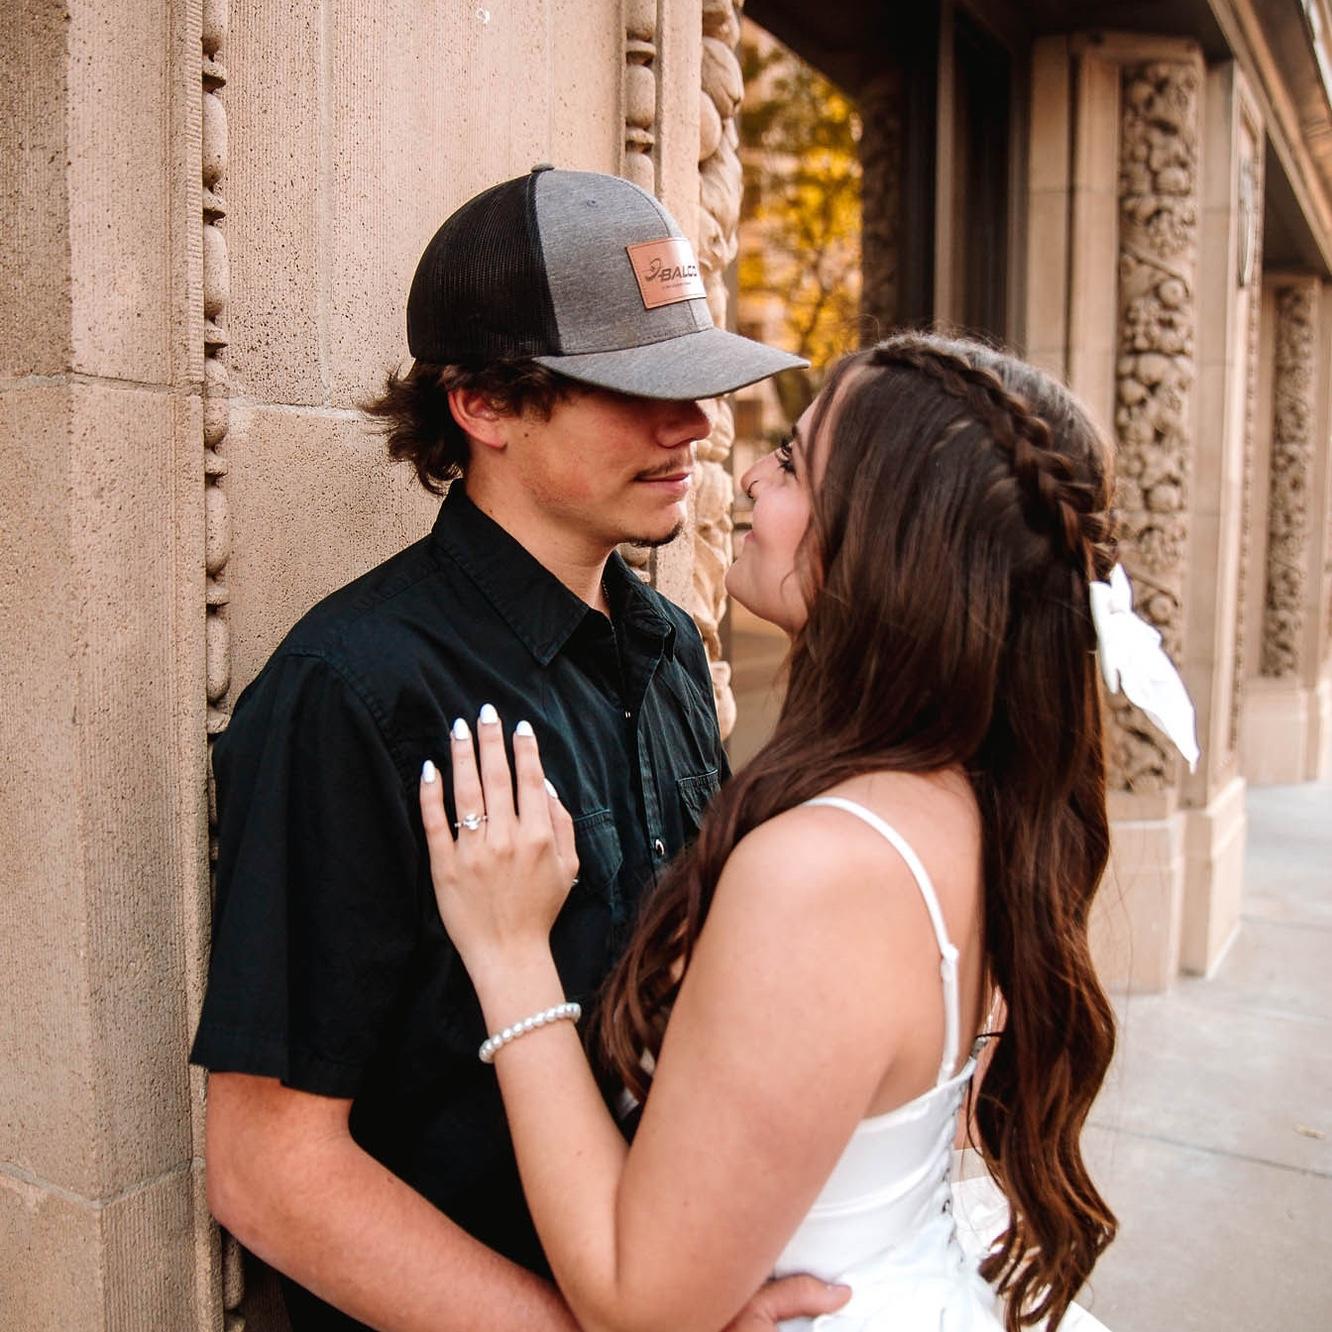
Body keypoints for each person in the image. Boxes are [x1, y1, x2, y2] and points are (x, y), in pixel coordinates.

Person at [416, 333, 1200, 1331]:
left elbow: (634, 1301)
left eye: (791, 462)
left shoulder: (826, 870)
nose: (746, 473)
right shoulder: (960, 789)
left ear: (883, 545)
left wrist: (511, 953)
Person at [190, 166, 854, 1331]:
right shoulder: (351, 693)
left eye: (696, 385)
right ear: (485, 406)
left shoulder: (666, 648)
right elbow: (270, 1171)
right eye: (638, 389)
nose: (696, 427)